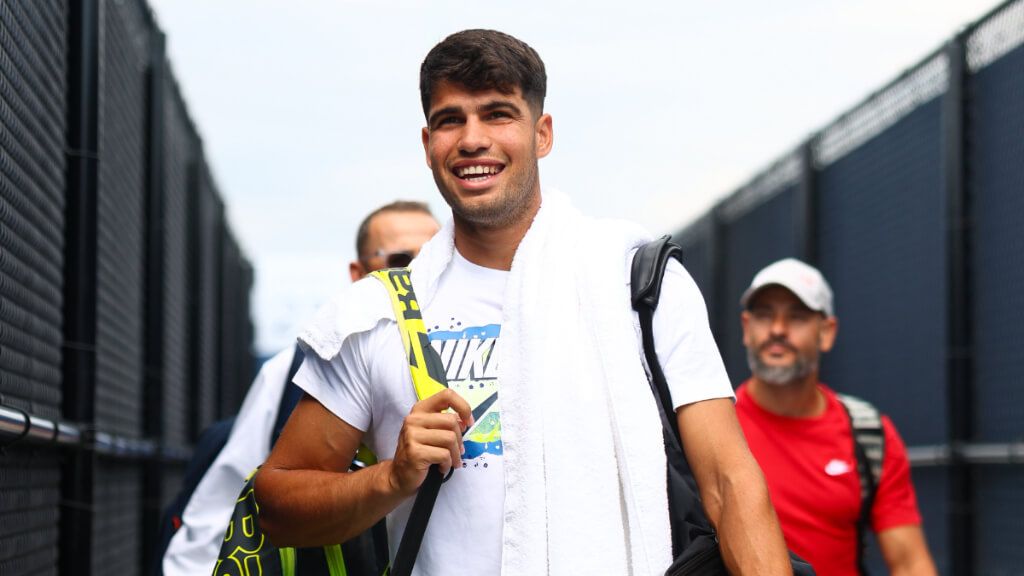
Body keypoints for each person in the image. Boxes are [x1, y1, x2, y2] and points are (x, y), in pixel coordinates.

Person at [256, 29, 792, 575]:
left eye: (497, 114)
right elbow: (278, 503)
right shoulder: (381, 313)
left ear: (542, 134)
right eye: (450, 120)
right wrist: (392, 477)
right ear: (427, 145)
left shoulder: (638, 283)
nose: (471, 140)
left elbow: (730, 483)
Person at [161, 201, 439, 576]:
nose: (415, 275)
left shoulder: (472, 352)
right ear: (357, 273)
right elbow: (228, 502)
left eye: (435, 258)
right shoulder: (303, 366)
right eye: (401, 259)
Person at [734, 258, 938, 576]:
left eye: (797, 316)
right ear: (747, 328)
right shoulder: (714, 426)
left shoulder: (868, 433)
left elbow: (910, 563)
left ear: (827, 333)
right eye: (764, 315)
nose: (777, 329)